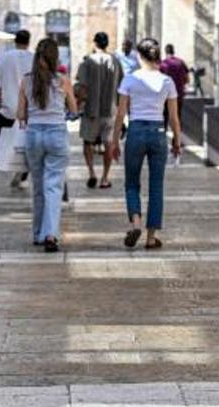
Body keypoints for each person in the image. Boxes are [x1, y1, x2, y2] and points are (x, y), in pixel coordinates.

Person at [109, 37, 181, 250]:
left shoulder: (130, 80)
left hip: (136, 131)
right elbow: (174, 117)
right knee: (156, 186)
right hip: (159, 131)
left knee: (132, 183)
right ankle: (151, 238)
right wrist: (177, 141)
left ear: (139, 56)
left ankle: (136, 223)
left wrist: (114, 141)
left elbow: (121, 114)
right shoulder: (167, 82)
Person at [17, 38, 78, 253]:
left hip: (34, 135)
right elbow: (73, 109)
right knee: (53, 185)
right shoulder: (63, 81)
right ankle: (50, 234)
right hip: (56, 135)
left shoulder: (26, 81)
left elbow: (20, 114)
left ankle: (37, 233)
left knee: (38, 186)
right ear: (55, 59)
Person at [75, 32, 121, 189]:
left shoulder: (87, 62)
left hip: (91, 110)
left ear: (95, 43)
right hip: (110, 110)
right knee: (109, 144)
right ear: (107, 44)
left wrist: (77, 104)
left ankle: (92, 173)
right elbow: (121, 87)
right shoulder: (116, 62)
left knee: (87, 142)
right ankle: (105, 178)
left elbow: (81, 87)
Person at [0, 29, 34, 187]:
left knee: (5, 141)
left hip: (7, 108)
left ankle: (8, 167)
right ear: (28, 42)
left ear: (15, 41)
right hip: (29, 109)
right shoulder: (34, 58)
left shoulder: (4, 58)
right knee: (26, 142)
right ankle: (21, 173)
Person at [159, 44, 190, 131]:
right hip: (178, 94)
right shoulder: (181, 62)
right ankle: (177, 140)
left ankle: (163, 139)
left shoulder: (163, 64)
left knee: (164, 117)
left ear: (165, 52)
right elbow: (187, 79)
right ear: (173, 51)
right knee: (177, 117)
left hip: (166, 95)